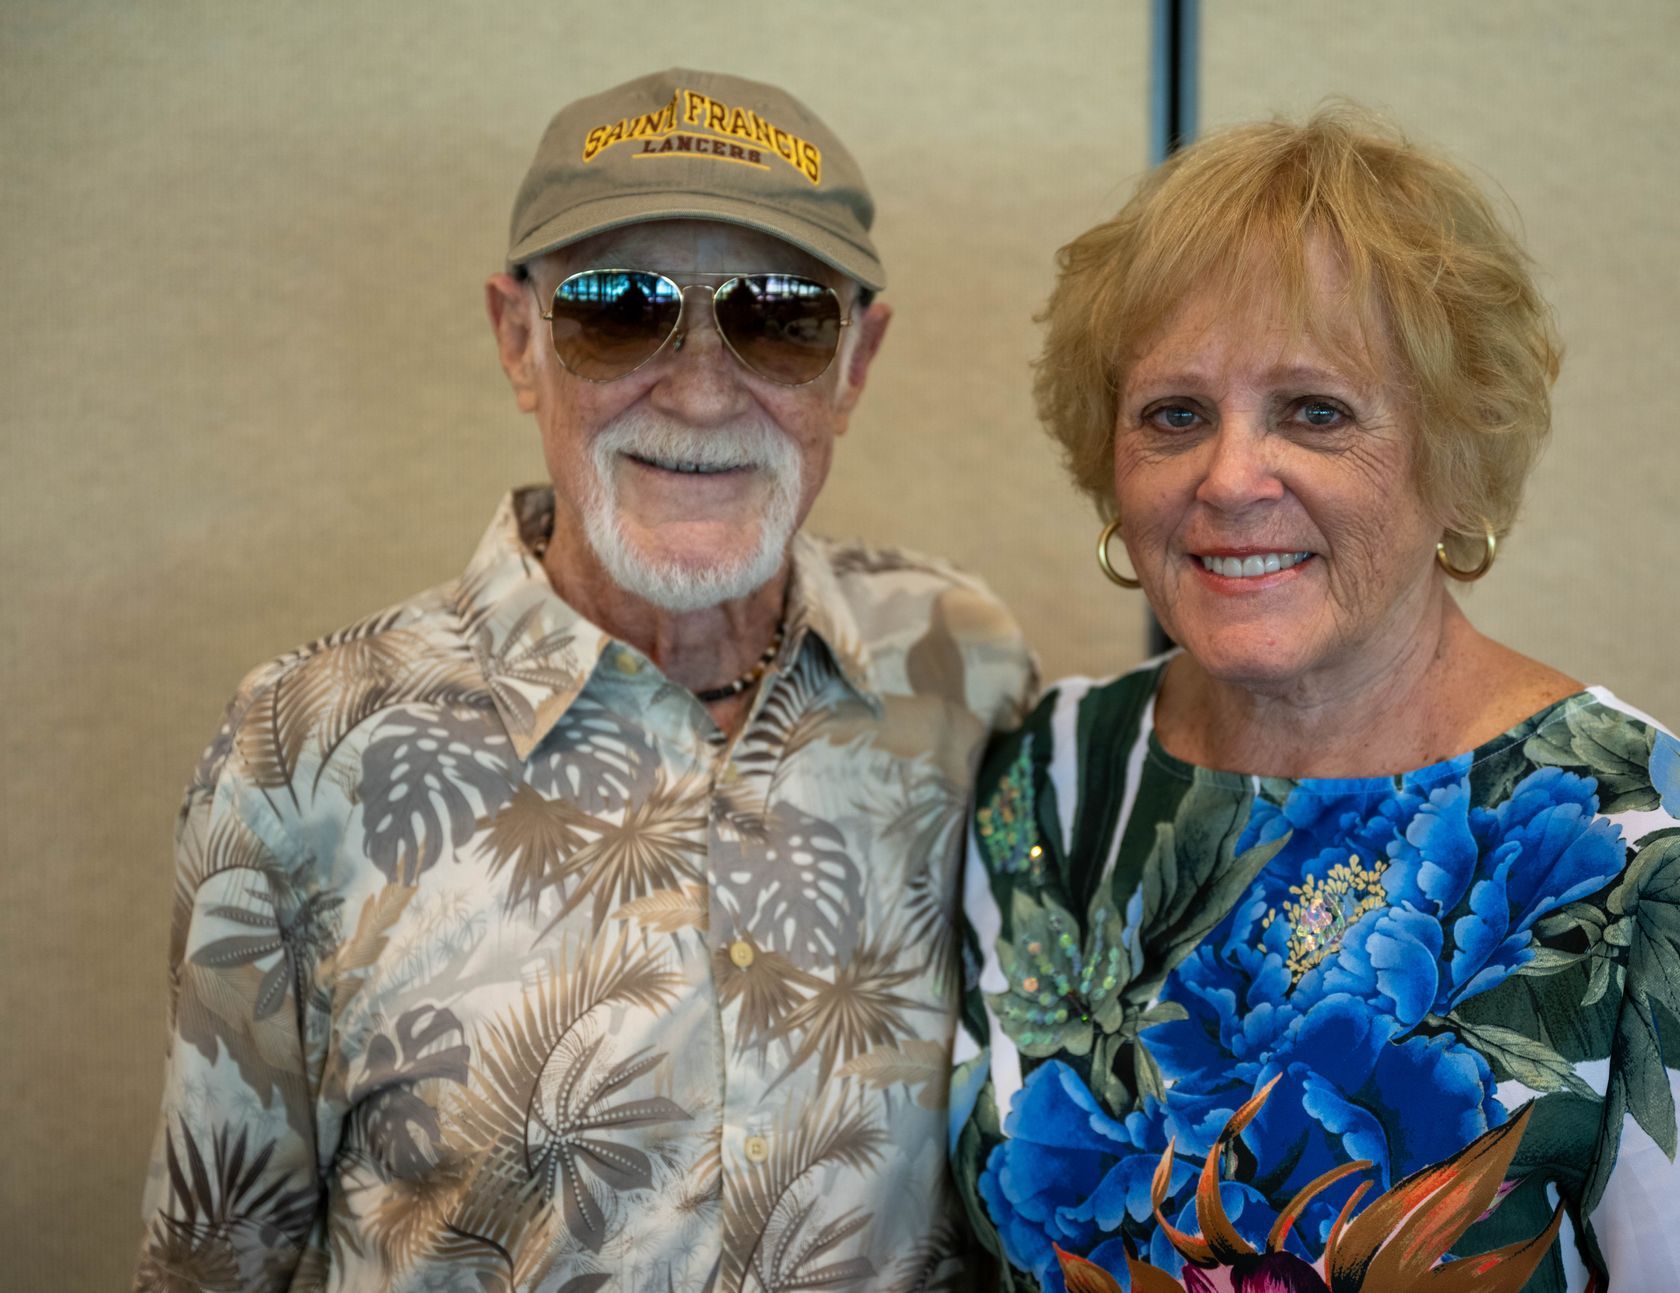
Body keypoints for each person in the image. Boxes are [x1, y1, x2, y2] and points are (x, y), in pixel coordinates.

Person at [950, 106, 1680, 1293]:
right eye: (1175, 414)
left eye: (1316, 411)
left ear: (1455, 459)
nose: (1230, 477)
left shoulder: (1652, 849)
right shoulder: (1039, 778)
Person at [132, 68, 1034, 1292]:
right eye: (618, 310)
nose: (705, 386)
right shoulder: (302, 753)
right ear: (520, 341)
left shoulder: (964, 672)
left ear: (855, 362)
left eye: (780, 317)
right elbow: (212, 1267)